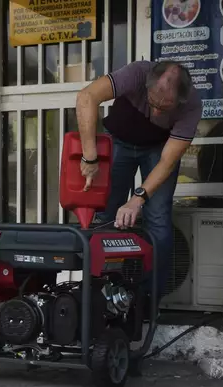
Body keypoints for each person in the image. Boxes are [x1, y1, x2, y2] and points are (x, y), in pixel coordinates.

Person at [75, 60, 202, 298]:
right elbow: (86, 97)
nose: (155, 113)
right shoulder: (136, 73)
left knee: (158, 220)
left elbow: (167, 161)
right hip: (118, 140)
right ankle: (96, 294)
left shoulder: (192, 105)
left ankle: (149, 299)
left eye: (164, 109)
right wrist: (90, 156)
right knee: (103, 216)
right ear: (146, 85)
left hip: (159, 149)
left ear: (180, 101)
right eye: (153, 103)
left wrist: (138, 198)